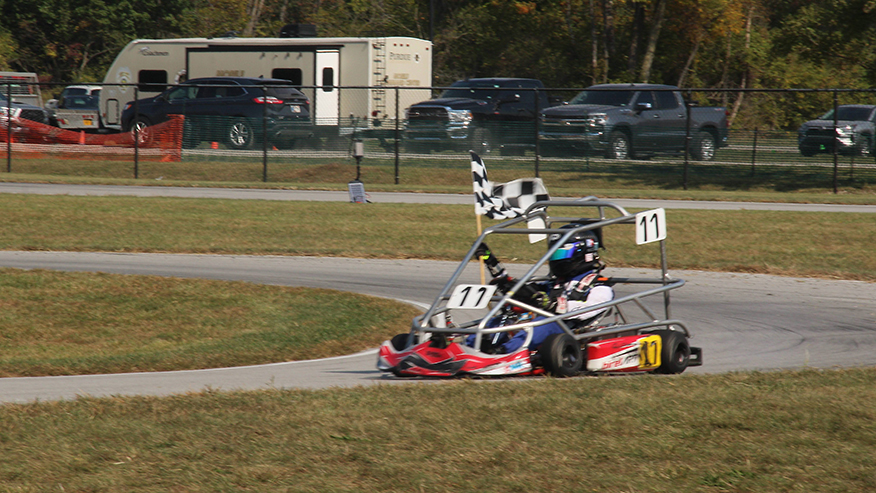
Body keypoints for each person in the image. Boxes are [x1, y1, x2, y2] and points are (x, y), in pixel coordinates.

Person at [471, 225, 615, 354]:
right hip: (541, 325)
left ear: (585, 254)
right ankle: (471, 346)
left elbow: (587, 310)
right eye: (555, 254)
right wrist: (492, 264)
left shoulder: (600, 287)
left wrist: (553, 305)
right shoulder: (555, 284)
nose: (558, 259)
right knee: (504, 318)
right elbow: (522, 291)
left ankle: (505, 352)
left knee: (546, 324)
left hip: (568, 330)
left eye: (562, 254)